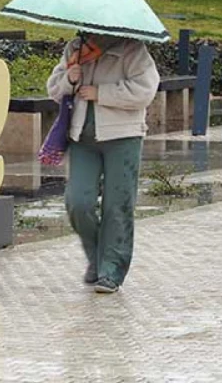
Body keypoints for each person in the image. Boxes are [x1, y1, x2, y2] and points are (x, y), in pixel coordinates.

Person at [46, 33, 160, 294]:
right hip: (81, 138)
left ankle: (111, 271)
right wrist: (69, 79)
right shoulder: (75, 48)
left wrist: (101, 93)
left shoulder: (132, 50)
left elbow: (145, 90)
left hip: (123, 137)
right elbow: (54, 89)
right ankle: (98, 258)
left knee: (117, 205)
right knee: (78, 203)